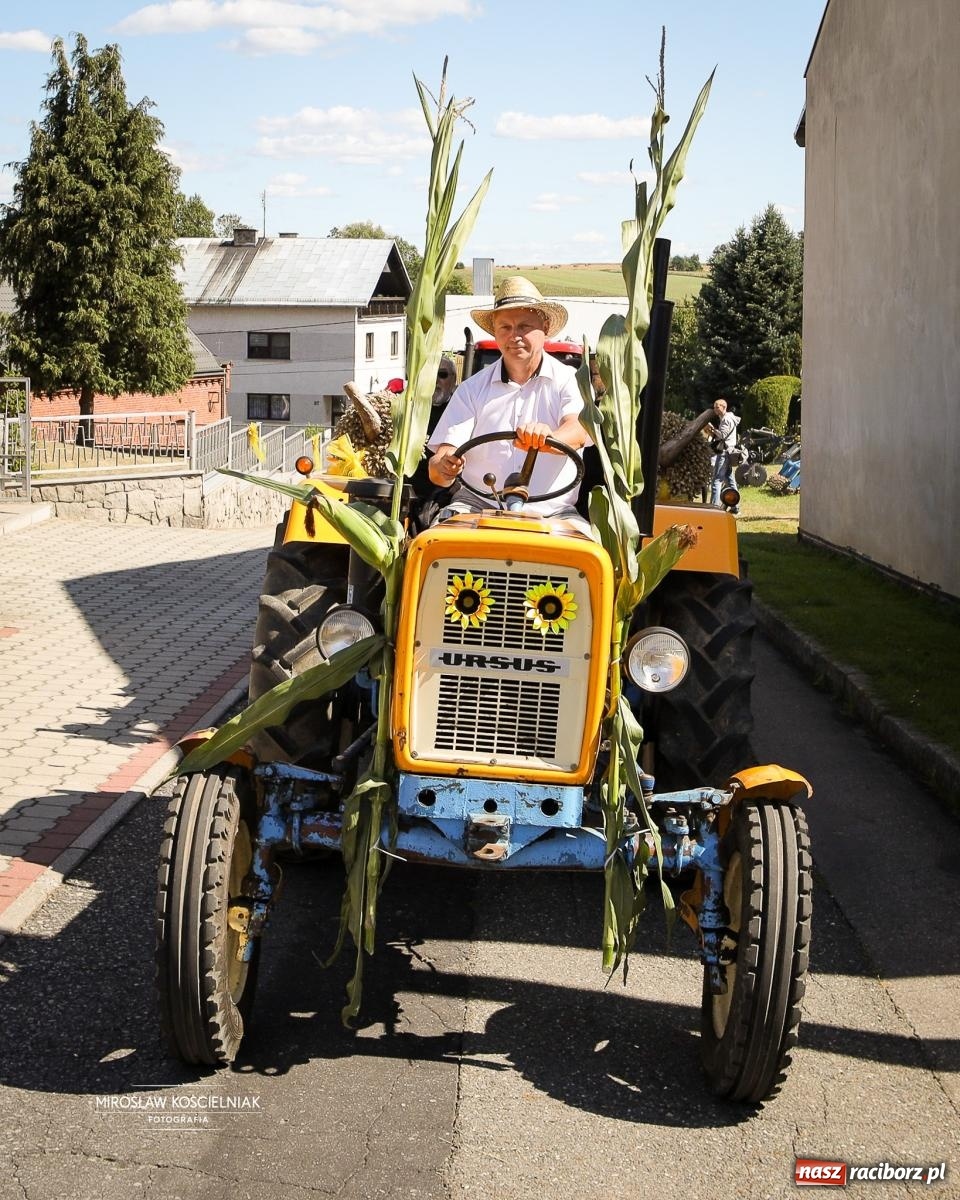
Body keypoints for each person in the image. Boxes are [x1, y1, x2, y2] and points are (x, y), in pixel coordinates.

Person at [427, 276, 589, 524]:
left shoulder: (570, 381)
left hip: (553, 513)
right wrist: (443, 466)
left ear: (544, 327)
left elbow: (578, 430)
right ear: (495, 332)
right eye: (505, 327)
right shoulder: (471, 390)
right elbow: (440, 463)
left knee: (589, 557)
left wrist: (548, 440)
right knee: (434, 544)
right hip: (477, 507)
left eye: (524, 326)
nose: (515, 336)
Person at [706, 397, 741, 511]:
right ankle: (735, 506)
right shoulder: (729, 417)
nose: (715, 409)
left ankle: (714, 507)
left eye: (717, 407)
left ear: (724, 407)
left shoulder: (726, 419)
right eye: (714, 407)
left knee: (717, 480)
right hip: (729, 451)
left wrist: (712, 430)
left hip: (724, 453)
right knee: (729, 480)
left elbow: (723, 435)